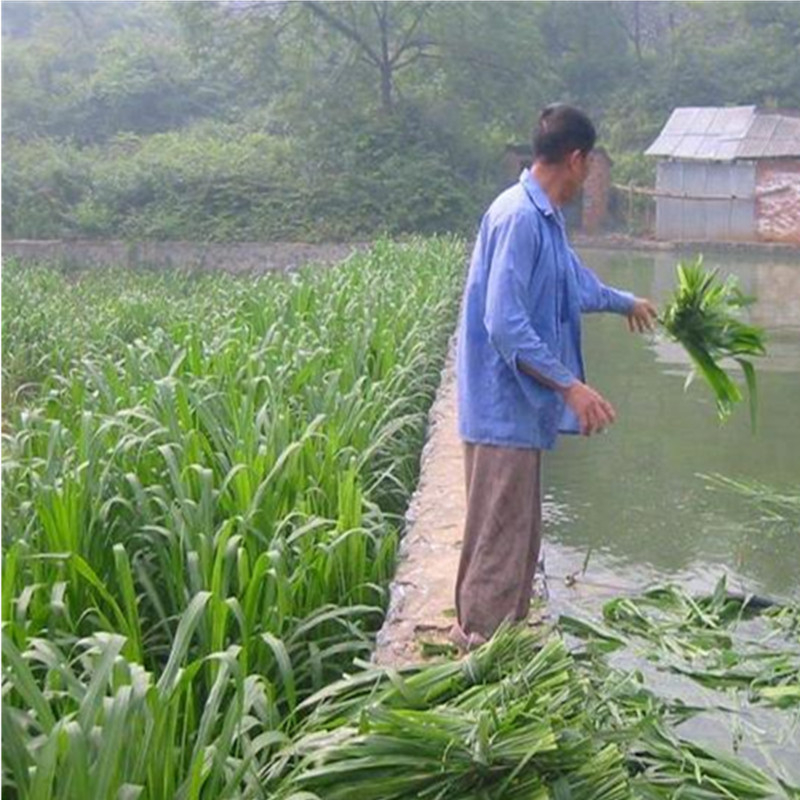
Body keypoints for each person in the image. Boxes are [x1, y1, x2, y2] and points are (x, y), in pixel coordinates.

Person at [451, 103, 657, 651]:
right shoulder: (518, 217)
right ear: (575, 159)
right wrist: (570, 385)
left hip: (519, 412)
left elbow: (572, 283)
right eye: (587, 168)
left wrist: (624, 302)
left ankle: (501, 644)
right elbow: (504, 321)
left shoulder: (542, 218)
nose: (586, 178)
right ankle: (479, 654)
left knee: (516, 535)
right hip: (503, 409)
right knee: (499, 538)